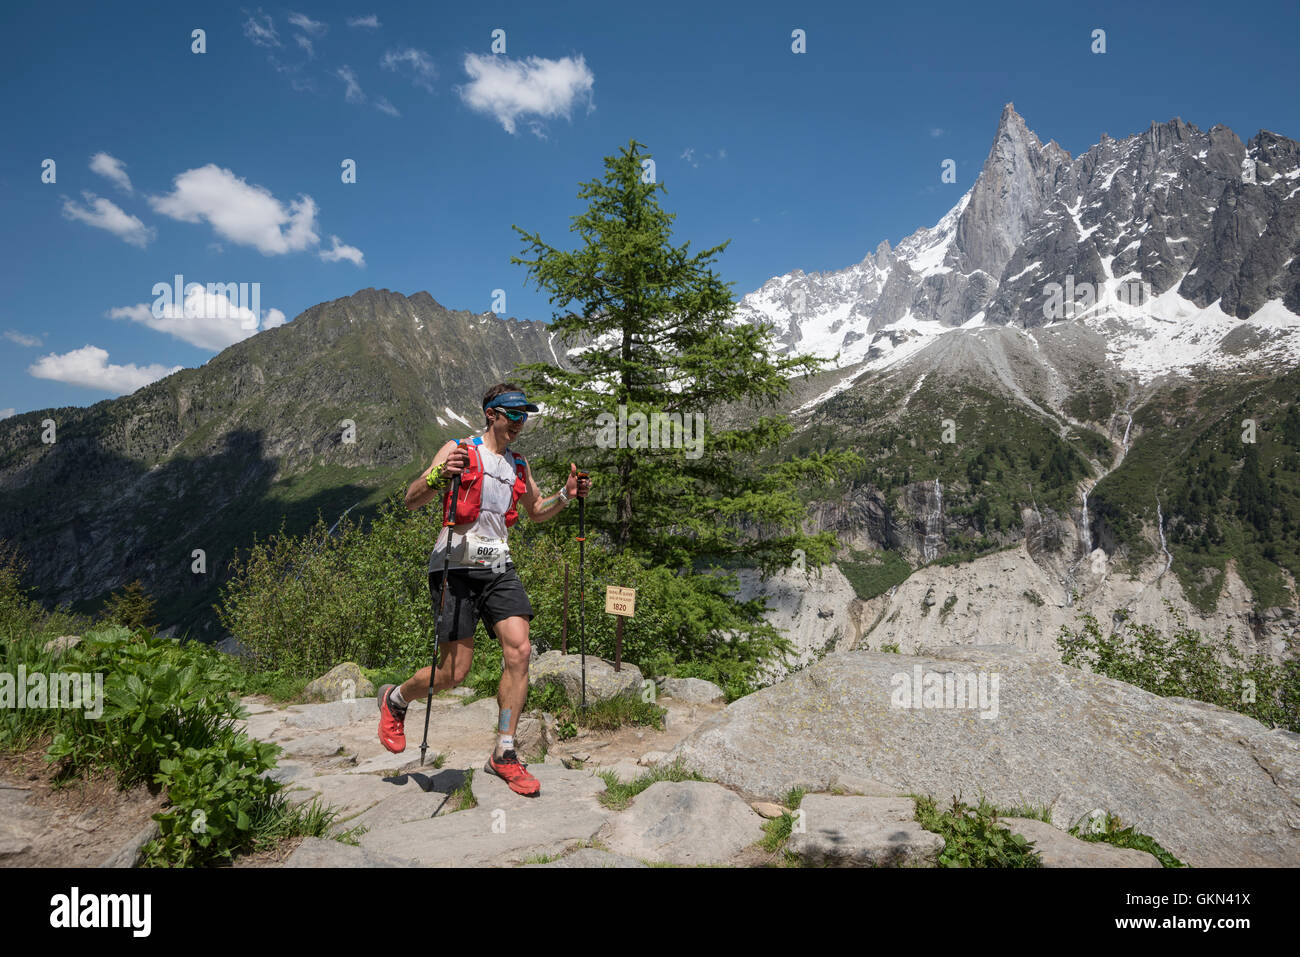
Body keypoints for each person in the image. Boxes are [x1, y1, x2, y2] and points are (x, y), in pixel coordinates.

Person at [376, 383, 590, 796]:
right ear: (491, 414)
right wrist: (440, 474)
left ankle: (504, 751)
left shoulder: (518, 465)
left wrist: (567, 494)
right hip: (453, 565)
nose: (520, 424)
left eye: (524, 416)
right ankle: (397, 699)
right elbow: (411, 499)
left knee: (520, 648)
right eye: (513, 415)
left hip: (497, 567)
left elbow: (537, 512)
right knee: (454, 673)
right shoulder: (459, 448)